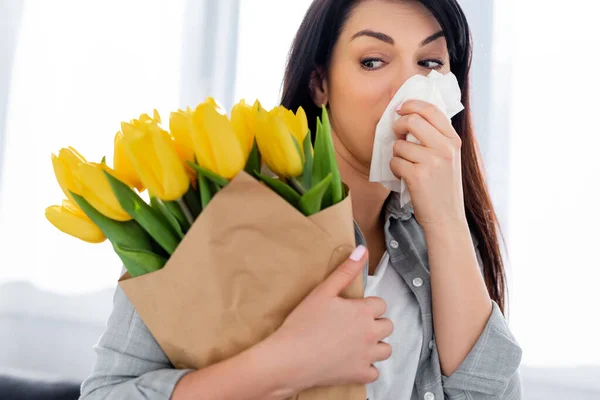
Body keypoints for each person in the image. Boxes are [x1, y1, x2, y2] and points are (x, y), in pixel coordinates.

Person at [80, 0, 523, 399]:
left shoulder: (440, 235)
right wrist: (286, 362)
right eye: (372, 61)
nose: (406, 92)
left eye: (429, 64)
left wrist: (446, 220)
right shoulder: (218, 210)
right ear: (319, 84)